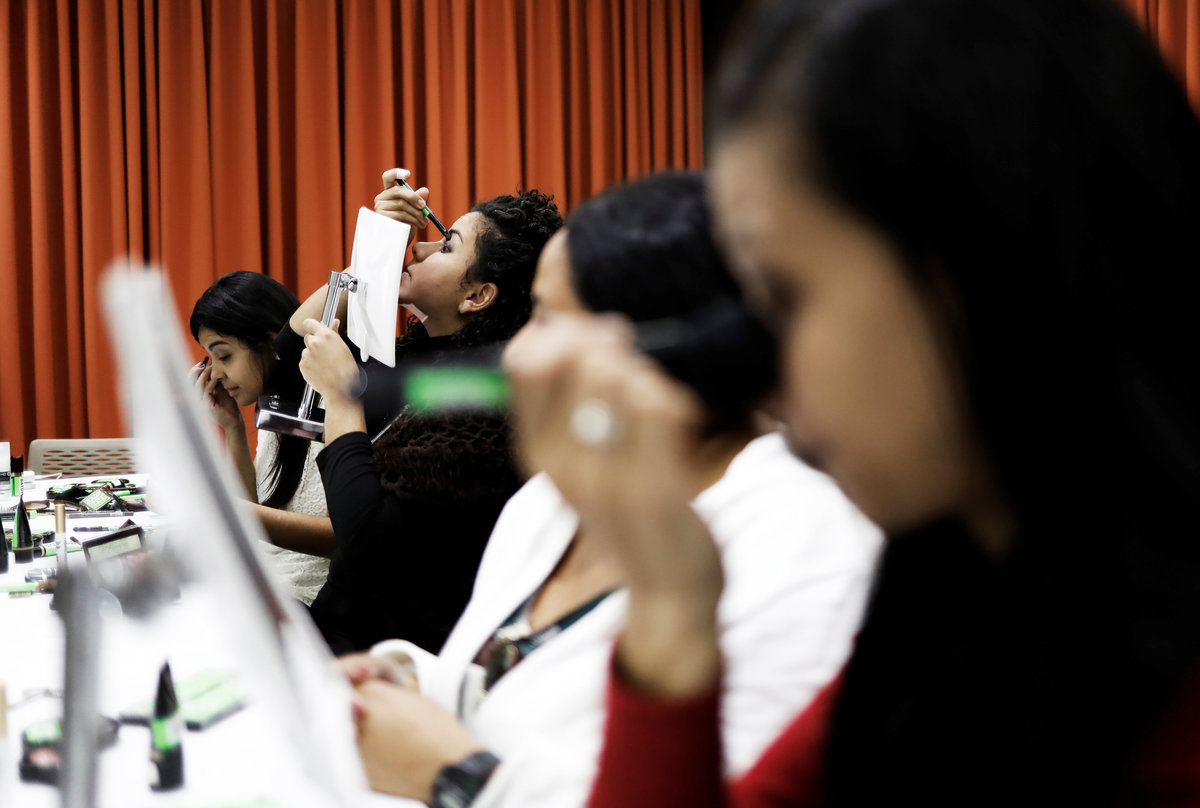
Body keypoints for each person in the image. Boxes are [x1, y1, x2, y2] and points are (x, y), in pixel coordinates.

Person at [502, 1, 1200, 806]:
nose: (763, 371)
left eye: (783, 296)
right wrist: (667, 608)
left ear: (977, 259)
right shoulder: (953, 604)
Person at [343, 172, 882, 808]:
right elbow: (503, 687)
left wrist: (457, 776)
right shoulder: (552, 498)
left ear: (661, 346)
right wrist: (402, 681)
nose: (515, 356)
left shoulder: (806, 546)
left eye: (547, 320)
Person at [290, 171, 563, 653]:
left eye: (446, 246)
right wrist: (377, 247)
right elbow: (294, 338)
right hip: (339, 623)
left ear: (477, 295)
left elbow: (364, 538)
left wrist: (343, 395)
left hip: (385, 652)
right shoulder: (427, 354)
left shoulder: (481, 402)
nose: (419, 248)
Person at [189, 271, 331, 605]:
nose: (216, 374)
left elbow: (346, 537)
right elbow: (255, 516)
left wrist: (227, 508)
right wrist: (233, 428)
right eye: (211, 358)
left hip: (308, 603)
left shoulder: (331, 403)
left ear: (271, 342)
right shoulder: (275, 406)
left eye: (224, 356)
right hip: (262, 587)